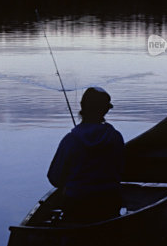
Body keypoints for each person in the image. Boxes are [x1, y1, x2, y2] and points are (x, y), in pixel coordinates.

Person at [47, 87, 124, 222]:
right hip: (109, 202)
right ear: (105, 110)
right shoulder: (115, 137)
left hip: (75, 205)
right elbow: (122, 170)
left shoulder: (70, 140)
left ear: (82, 107)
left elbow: (54, 177)